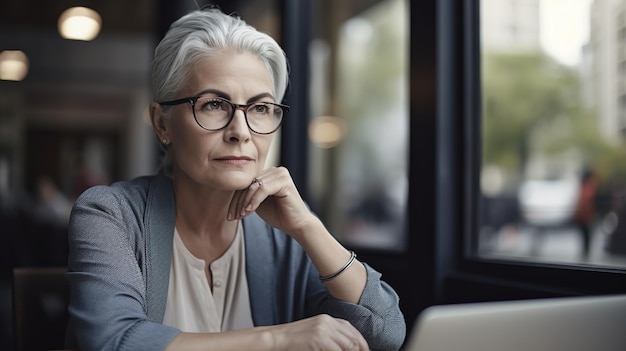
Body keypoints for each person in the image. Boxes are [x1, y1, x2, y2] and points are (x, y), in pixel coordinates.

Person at [65, 7, 406, 351]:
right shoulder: (110, 214)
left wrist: (307, 225)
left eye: (259, 108)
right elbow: (111, 342)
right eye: (213, 104)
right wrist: (278, 338)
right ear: (162, 123)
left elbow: (385, 333)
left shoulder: (283, 234)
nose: (240, 132)